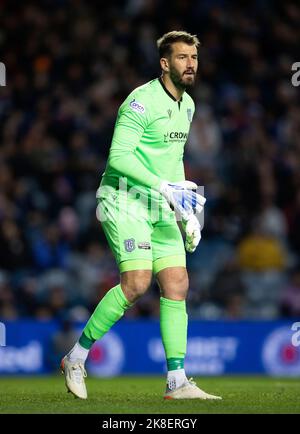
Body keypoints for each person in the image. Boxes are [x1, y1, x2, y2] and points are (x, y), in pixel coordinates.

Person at [61, 30, 221, 401]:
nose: (191, 64)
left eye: (194, 57)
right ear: (165, 63)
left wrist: (186, 212)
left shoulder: (189, 105)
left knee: (177, 282)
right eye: (182, 57)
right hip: (124, 198)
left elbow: (174, 160)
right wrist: (163, 188)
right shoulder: (140, 101)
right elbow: (118, 157)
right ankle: (76, 357)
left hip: (160, 201)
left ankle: (177, 382)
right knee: (136, 283)